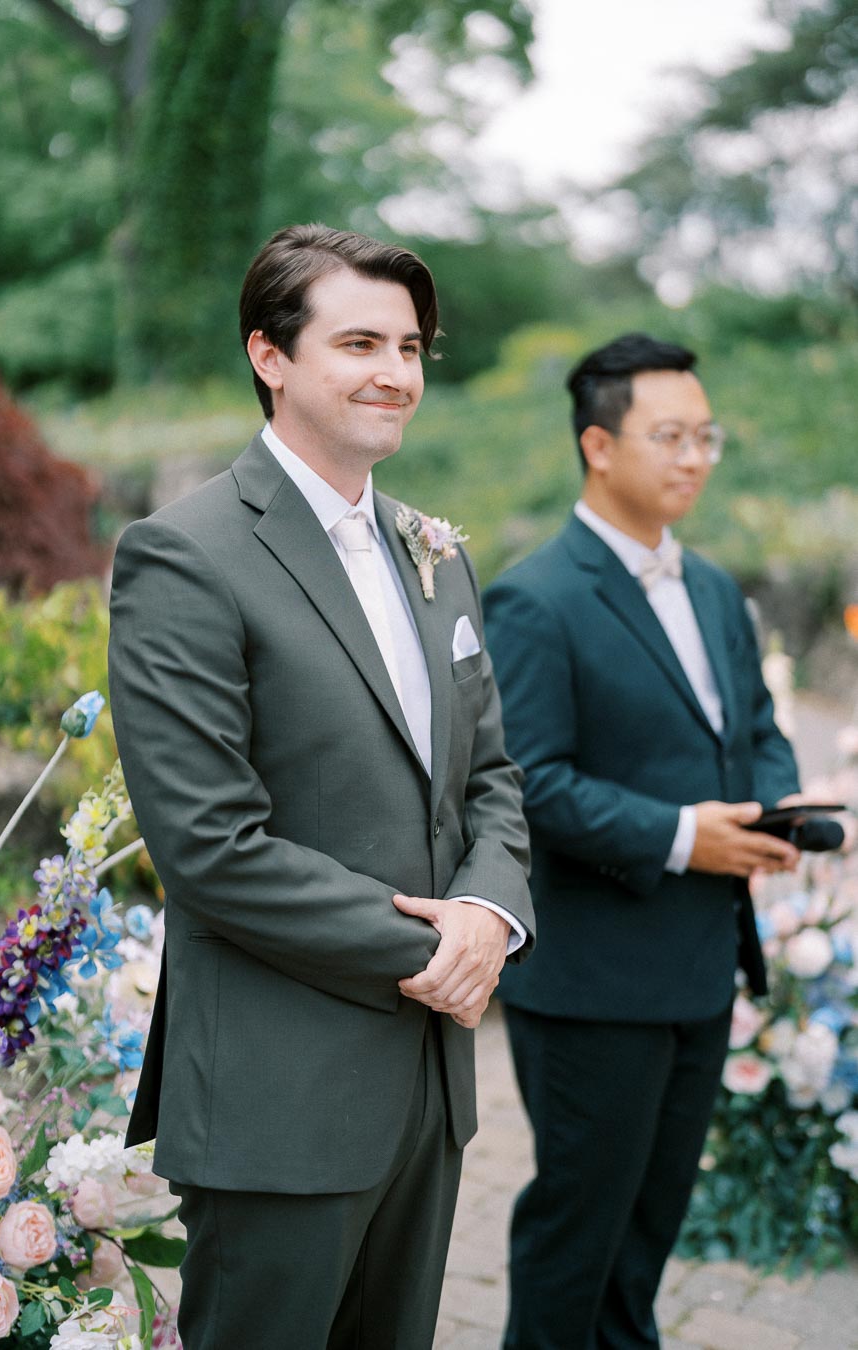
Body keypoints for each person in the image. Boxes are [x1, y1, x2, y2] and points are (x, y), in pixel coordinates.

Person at [108, 223, 533, 1350]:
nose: (395, 372)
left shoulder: (434, 550)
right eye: (358, 342)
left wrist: (492, 914)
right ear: (271, 355)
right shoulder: (185, 555)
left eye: (410, 346)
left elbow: (489, 776)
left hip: (427, 1096)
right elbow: (209, 846)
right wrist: (440, 953)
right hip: (278, 1089)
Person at [483, 332, 802, 1350]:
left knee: (648, 1232)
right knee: (577, 1230)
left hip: (701, 965)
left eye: (706, 435)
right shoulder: (535, 598)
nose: (695, 456)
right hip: (591, 982)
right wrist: (677, 837)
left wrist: (777, 812)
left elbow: (754, 730)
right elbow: (528, 781)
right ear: (598, 445)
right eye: (670, 436)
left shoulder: (711, 586)